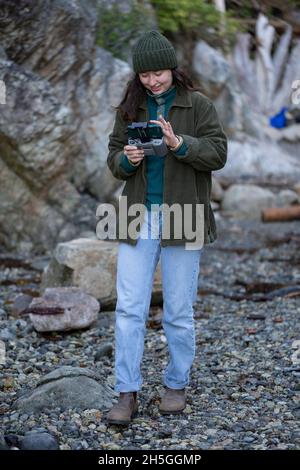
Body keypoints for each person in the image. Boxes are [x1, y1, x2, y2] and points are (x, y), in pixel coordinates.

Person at [106, 30, 227, 425]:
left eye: (158, 72)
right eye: (145, 75)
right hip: (134, 214)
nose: (152, 81)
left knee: (178, 310)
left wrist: (180, 145)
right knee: (128, 309)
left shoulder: (199, 105)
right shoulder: (130, 108)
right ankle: (127, 392)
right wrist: (129, 158)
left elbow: (218, 154)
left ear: (172, 69)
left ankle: (176, 384)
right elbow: (113, 161)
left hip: (186, 213)